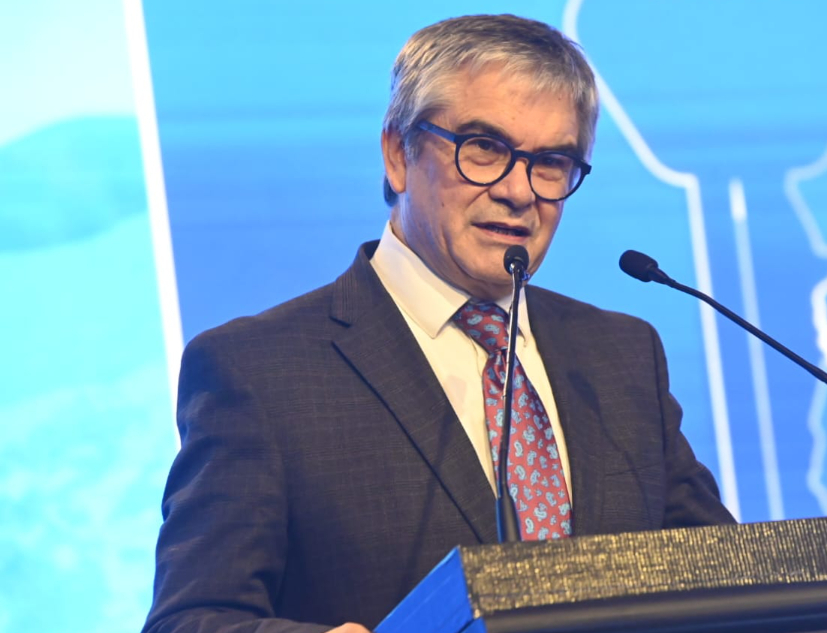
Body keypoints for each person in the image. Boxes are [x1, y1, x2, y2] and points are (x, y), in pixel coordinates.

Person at [143, 14, 735, 633]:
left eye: (551, 161)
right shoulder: (260, 372)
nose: (518, 191)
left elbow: (732, 582)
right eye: (484, 147)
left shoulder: (621, 355)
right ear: (398, 154)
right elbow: (191, 620)